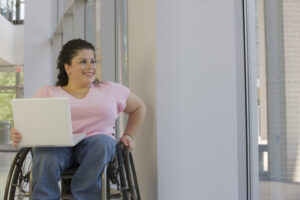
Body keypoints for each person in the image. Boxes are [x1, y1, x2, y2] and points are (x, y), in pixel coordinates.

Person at [10, 39, 146, 200]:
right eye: (83, 62)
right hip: (57, 146)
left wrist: (128, 135)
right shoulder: (48, 93)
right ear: (67, 68)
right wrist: (17, 132)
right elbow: (27, 121)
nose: (91, 67)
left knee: (102, 143)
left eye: (93, 61)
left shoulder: (110, 89)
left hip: (97, 143)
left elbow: (139, 107)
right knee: (45, 154)